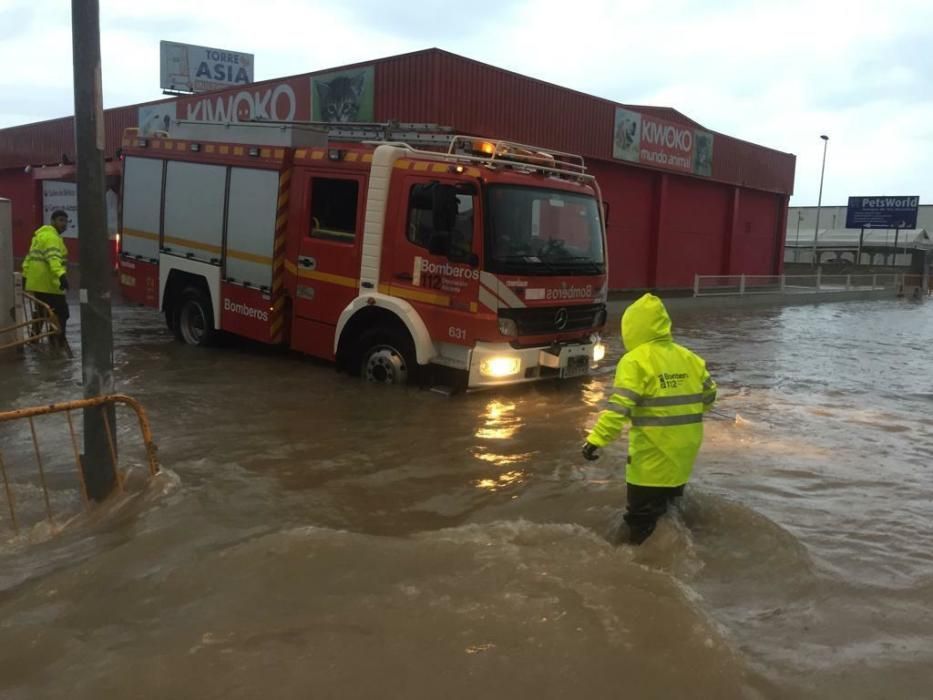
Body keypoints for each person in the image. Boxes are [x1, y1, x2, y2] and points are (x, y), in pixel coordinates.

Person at [581, 293, 717, 544]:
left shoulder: (634, 361)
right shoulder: (689, 357)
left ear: (631, 327)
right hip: (683, 452)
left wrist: (595, 440)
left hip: (652, 457)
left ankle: (637, 565)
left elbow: (618, 408)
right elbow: (710, 395)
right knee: (670, 508)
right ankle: (683, 545)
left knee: (640, 521)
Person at [22, 210, 70, 347]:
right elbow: (53, 259)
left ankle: (34, 341)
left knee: (41, 313)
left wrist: (25, 277)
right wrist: (61, 275)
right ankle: (57, 342)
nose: (64, 224)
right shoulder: (52, 238)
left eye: (66, 221)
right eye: (61, 220)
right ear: (53, 221)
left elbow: (29, 259)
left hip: (38, 285)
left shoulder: (39, 236)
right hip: (50, 285)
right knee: (62, 313)